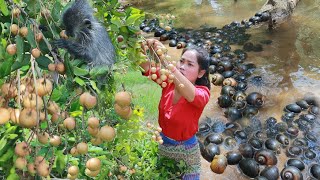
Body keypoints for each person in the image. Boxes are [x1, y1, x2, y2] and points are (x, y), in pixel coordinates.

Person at [140, 39, 211, 180]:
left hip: (188, 153)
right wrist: (143, 47)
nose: (182, 66)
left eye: (190, 64)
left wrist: (165, 60)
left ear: (201, 73)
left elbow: (190, 93)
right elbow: (145, 66)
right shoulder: (168, 82)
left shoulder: (203, 93)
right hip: (163, 145)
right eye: (181, 61)